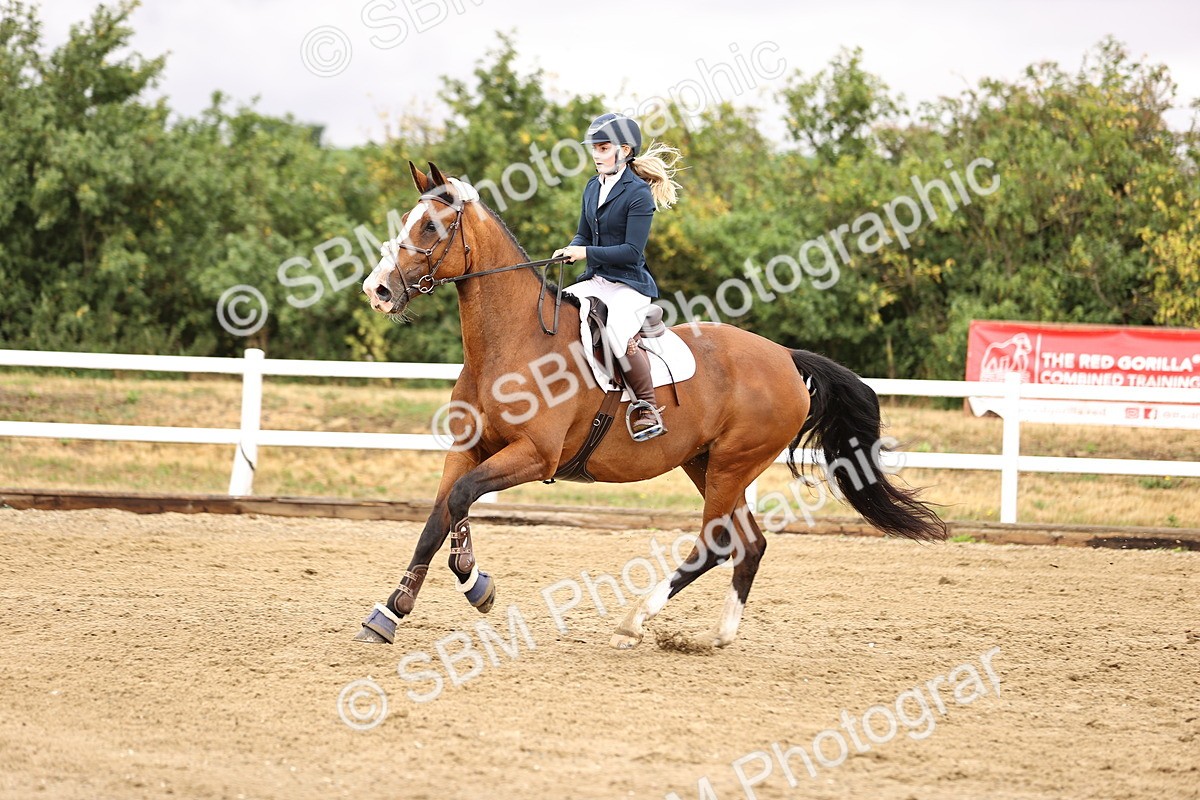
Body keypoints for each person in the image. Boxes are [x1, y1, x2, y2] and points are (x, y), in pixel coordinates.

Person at [552, 112, 682, 442]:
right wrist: (572, 247)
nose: (596, 154)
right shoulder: (592, 187)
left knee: (614, 333)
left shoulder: (637, 194)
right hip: (596, 279)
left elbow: (630, 252)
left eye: (603, 147)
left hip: (629, 285)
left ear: (624, 150)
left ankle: (646, 406)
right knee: (555, 312)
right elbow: (583, 234)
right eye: (594, 148)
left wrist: (586, 253)